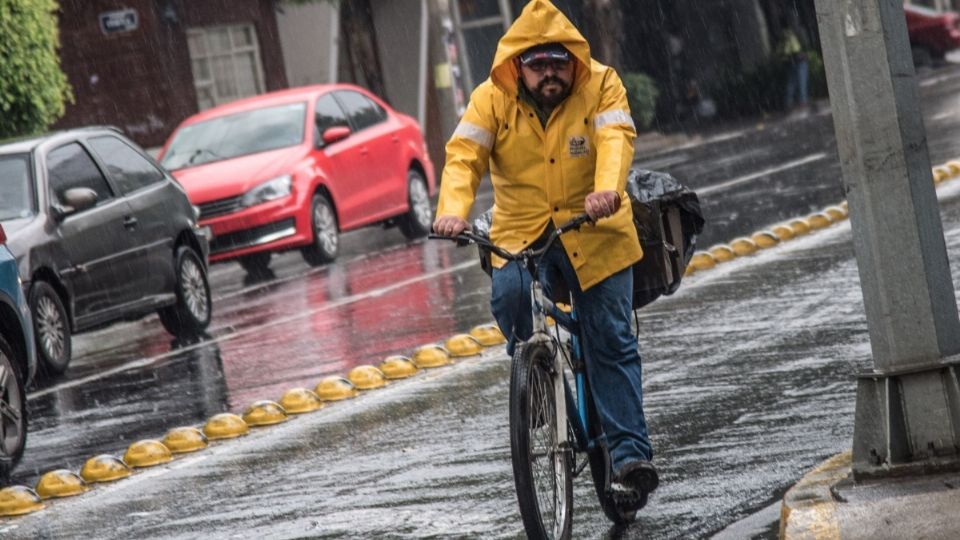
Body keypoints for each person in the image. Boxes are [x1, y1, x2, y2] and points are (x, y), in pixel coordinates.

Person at [432, 0, 658, 503]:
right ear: (519, 67)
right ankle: (532, 379)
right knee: (511, 296)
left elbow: (616, 138)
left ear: (572, 59)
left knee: (610, 341)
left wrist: (607, 189)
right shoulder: (490, 99)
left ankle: (628, 456)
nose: (550, 73)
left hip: (595, 228)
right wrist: (452, 209)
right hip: (521, 233)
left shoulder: (600, 84)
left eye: (558, 62)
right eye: (538, 65)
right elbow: (464, 157)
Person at [777, 21, 809, 113]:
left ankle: (788, 103)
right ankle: (802, 102)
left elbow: (780, 53)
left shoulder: (782, 38)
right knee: (801, 82)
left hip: (790, 63)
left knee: (791, 83)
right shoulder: (791, 35)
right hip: (799, 61)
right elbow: (796, 49)